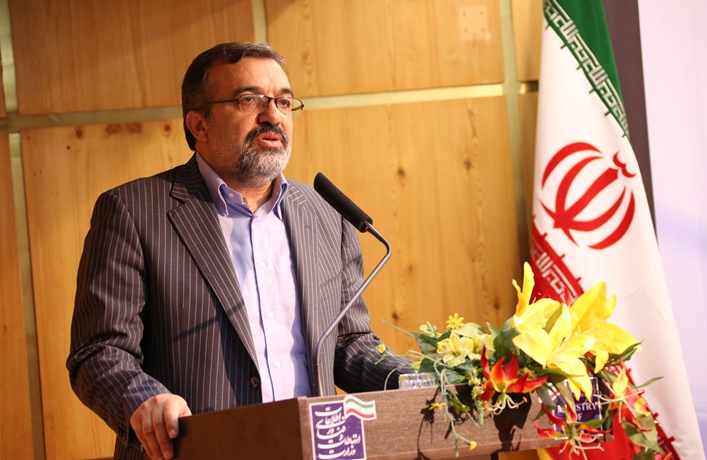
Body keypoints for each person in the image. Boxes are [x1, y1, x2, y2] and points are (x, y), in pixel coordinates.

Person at [67, 42, 412, 460]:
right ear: (199, 124)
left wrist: (423, 380)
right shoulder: (133, 211)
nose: (273, 116)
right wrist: (144, 400)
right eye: (249, 100)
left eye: (283, 101)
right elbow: (99, 351)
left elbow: (348, 343)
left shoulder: (328, 215)